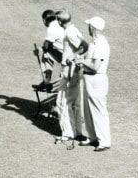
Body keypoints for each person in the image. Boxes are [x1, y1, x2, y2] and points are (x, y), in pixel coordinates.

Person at [78, 16, 111, 152]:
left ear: (93, 28)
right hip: (89, 79)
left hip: (97, 79)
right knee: (88, 110)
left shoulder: (101, 44)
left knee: (98, 110)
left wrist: (80, 60)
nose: (88, 28)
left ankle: (104, 141)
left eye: (89, 26)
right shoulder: (93, 43)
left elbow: (95, 66)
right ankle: (93, 137)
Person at [55, 10, 88, 144]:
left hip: (70, 70)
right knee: (75, 102)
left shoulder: (69, 32)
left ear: (59, 21)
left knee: (62, 102)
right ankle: (77, 132)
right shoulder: (74, 30)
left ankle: (67, 133)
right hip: (75, 69)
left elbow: (84, 46)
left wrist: (73, 56)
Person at [34, 9, 63, 92]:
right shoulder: (59, 24)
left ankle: (47, 82)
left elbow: (47, 47)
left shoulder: (51, 28)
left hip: (65, 56)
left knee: (46, 54)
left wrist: (39, 49)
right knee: (47, 53)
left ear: (44, 20)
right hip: (67, 53)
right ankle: (47, 81)